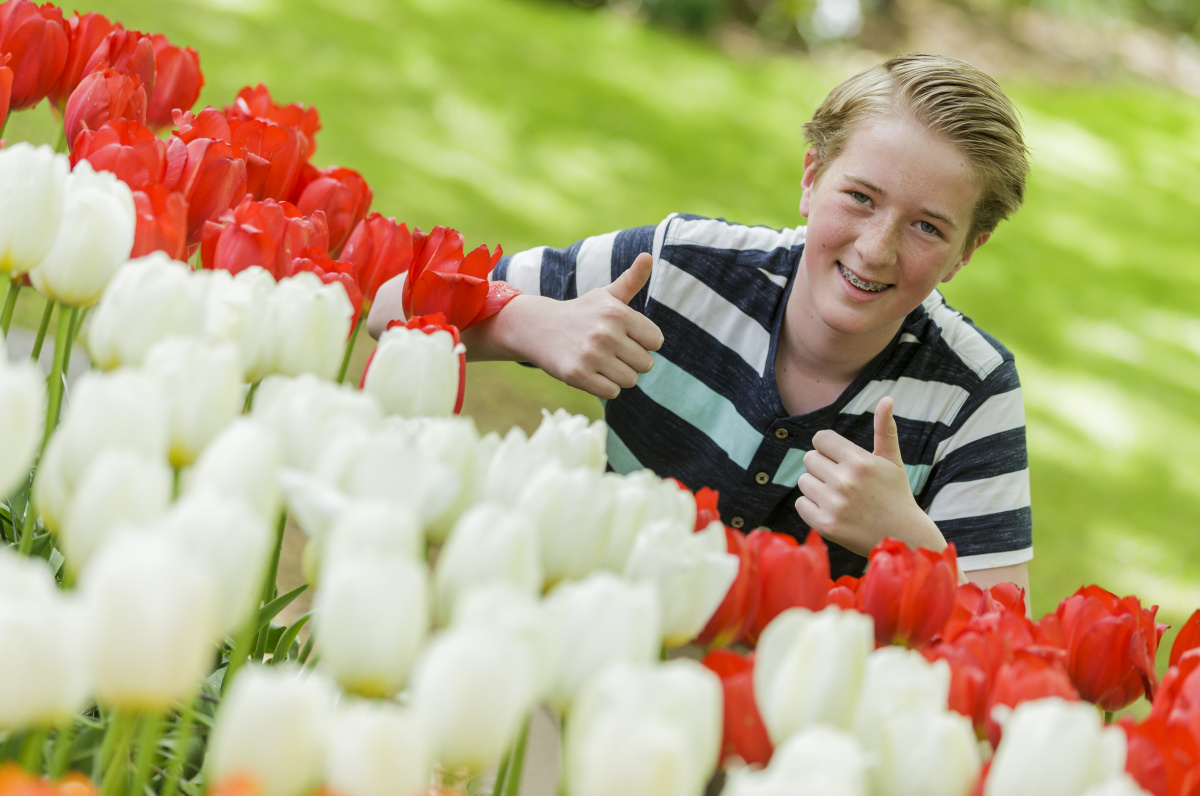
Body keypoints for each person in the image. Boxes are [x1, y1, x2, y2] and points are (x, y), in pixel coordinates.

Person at [369, 53, 1033, 594]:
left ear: (965, 253)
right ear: (810, 178)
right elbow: (388, 306)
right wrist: (526, 324)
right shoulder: (682, 269)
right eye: (860, 198)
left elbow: (1001, 636)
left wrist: (909, 543)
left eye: (927, 227)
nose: (876, 248)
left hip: (783, 732)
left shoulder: (974, 392)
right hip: (590, 641)